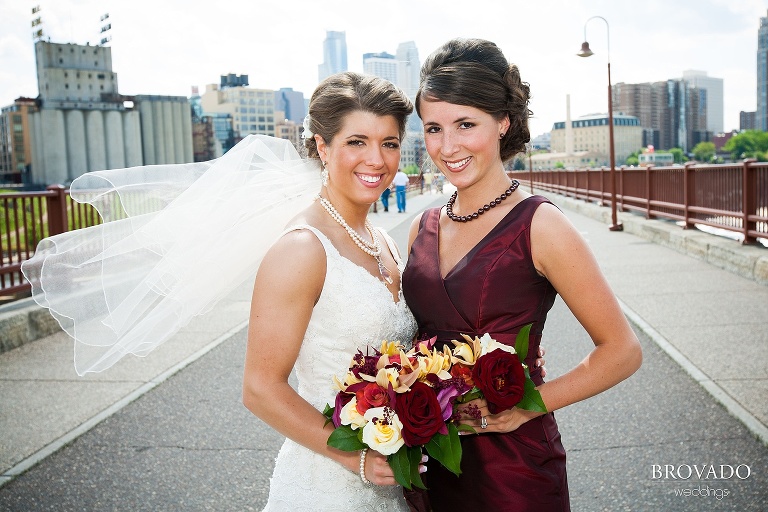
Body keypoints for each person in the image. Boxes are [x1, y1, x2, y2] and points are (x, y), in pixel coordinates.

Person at [402, 38, 642, 511]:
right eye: (433, 128)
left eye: (465, 124)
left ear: (503, 122)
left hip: (513, 470)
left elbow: (623, 351)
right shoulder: (422, 226)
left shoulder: (541, 224)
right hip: (429, 460)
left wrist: (529, 404)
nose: (447, 147)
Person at [241, 72, 418, 511]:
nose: (376, 159)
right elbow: (260, 388)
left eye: (390, 143)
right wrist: (355, 457)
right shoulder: (302, 249)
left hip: (393, 478)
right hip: (326, 484)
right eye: (357, 141)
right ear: (323, 147)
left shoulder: (384, 241)